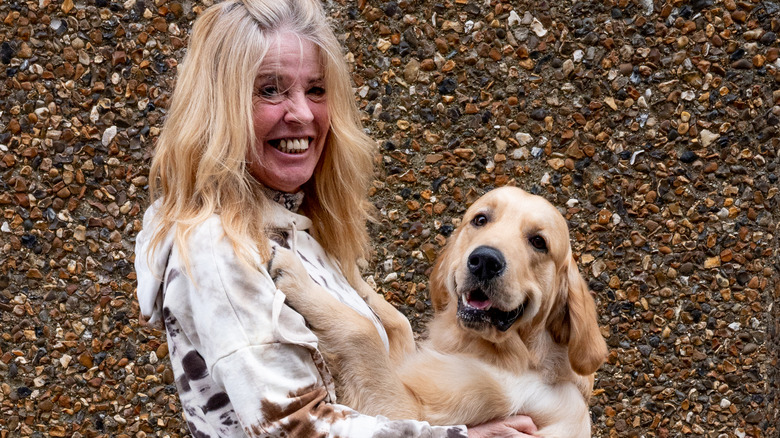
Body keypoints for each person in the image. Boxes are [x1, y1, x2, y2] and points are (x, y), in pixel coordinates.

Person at [134, 0, 540, 436]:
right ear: (219, 108)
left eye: (316, 90)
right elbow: (290, 427)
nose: (303, 114)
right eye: (270, 89)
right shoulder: (216, 246)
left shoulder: (292, 229)